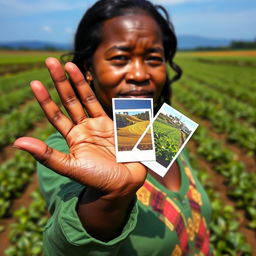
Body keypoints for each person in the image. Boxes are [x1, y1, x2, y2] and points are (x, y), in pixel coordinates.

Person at [14, 0, 212, 255]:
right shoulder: (67, 150)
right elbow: (71, 248)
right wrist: (110, 200)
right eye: (120, 58)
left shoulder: (166, 128)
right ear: (89, 69)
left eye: (153, 58)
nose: (140, 73)